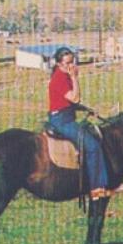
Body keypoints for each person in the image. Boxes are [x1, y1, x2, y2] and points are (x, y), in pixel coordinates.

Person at [47, 46, 111, 200]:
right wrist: (75, 78)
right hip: (61, 120)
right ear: (58, 64)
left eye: (72, 62)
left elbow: (68, 102)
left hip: (67, 115)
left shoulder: (64, 76)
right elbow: (75, 98)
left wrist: (85, 109)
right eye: (67, 63)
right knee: (93, 146)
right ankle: (96, 188)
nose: (71, 66)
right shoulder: (59, 79)